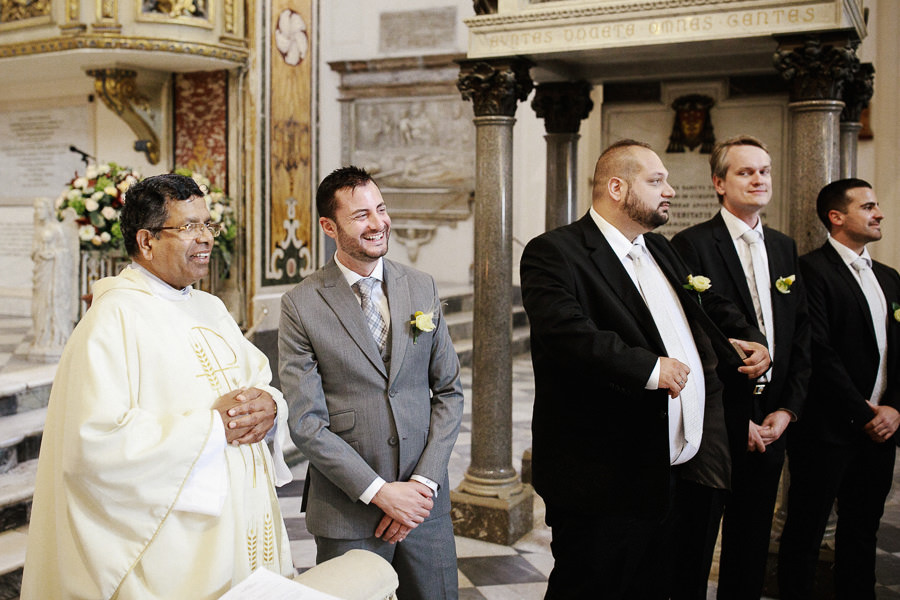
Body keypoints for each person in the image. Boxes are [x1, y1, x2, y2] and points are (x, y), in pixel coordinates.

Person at [21, 174, 295, 600]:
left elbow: (257, 381)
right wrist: (212, 429)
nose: (205, 239)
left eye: (208, 225)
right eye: (189, 227)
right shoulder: (112, 321)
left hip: (241, 526)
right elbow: (93, 446)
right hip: (180, 549)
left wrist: (271, 407)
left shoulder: (211, 308)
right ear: (146, 242)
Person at [520, 139, 771, 599]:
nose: (669, 191)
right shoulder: (555, 251)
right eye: (657, 181)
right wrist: (650, 368)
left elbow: (706, 299)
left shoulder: (660, 248)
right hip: (604, 475)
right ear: (617, 188)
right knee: (593, 585)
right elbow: (566, 333)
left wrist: (751, 336)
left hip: (677, 469)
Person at [278, 166, 463, 600]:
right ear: (329, 226)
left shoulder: (420, 287)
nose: (379, 223)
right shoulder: (301, 305)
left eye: (380, 209)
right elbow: (306, 423)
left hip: (424, 504)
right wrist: (381, 493)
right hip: (349, 509)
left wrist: (422, 486)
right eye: (361, 215)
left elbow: (449, 391)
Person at [671, 135, 811, 599]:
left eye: (765, 171)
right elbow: (696, 335)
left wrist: (786, 410)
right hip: (720, 421)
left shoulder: (784, 247)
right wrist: (736, 417)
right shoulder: (691, 244)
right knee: (695, 542)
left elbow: (801, 333)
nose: (758, 179)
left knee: (752, 542)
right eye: (745, 171)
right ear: (719, 182)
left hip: (773, 420)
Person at [777, 178, 900, 599]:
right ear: (837, 217)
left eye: (876, 205)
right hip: (827, 430)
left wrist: (894, 409)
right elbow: (819, 351)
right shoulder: (810, 270)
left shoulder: (889, 277)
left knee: (863, 531)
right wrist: (863, 413)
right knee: (805, 533)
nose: (878, 213)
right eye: (868, 206)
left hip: (883, 429)